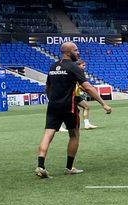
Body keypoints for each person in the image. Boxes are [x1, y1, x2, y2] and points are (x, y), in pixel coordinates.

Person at [34, 42, 112, 178]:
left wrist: (52, 99)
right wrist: (103, 104)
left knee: (48, 134)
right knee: (74, 135)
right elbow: (88, 87)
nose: (78, 52)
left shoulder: (53, 67)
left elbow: (48, 87)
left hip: (53, 105)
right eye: (75, 50)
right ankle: (69, 167)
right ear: (67, 52)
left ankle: (40, 165)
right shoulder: (74, 67)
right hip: (68, 106)